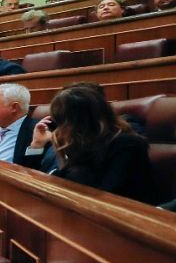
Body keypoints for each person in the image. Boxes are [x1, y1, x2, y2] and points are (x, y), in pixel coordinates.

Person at [24, 81, 155, 203]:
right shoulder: (84, 143)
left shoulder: (126, 144)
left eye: (62, 122)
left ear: (78, 122)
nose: (58, 129)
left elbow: (106, 196)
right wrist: (38, 146)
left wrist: (64, 154)